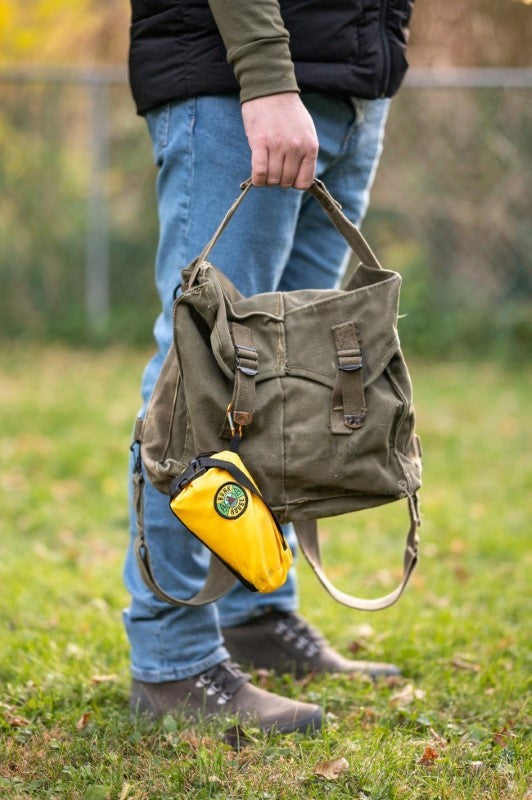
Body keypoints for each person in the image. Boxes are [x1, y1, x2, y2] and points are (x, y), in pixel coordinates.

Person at [124, 0, 414, 734]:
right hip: (241, 84)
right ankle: (173, 660)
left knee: (288, 378)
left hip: (347, 85)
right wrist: (266, 77)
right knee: (199, 375)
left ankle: (256, 613)